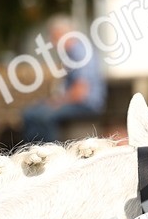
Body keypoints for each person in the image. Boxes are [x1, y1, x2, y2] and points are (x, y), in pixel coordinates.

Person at [21, 15, 106, 144]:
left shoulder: (79, 53)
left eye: (54, 36)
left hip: (85, 105)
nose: (51, 41)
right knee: (31, 113)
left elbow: (80, 93)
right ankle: (34, 150)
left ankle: (49, 153)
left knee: (40, 116)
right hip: (79, 102)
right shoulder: (74, 52)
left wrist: (56, 102)